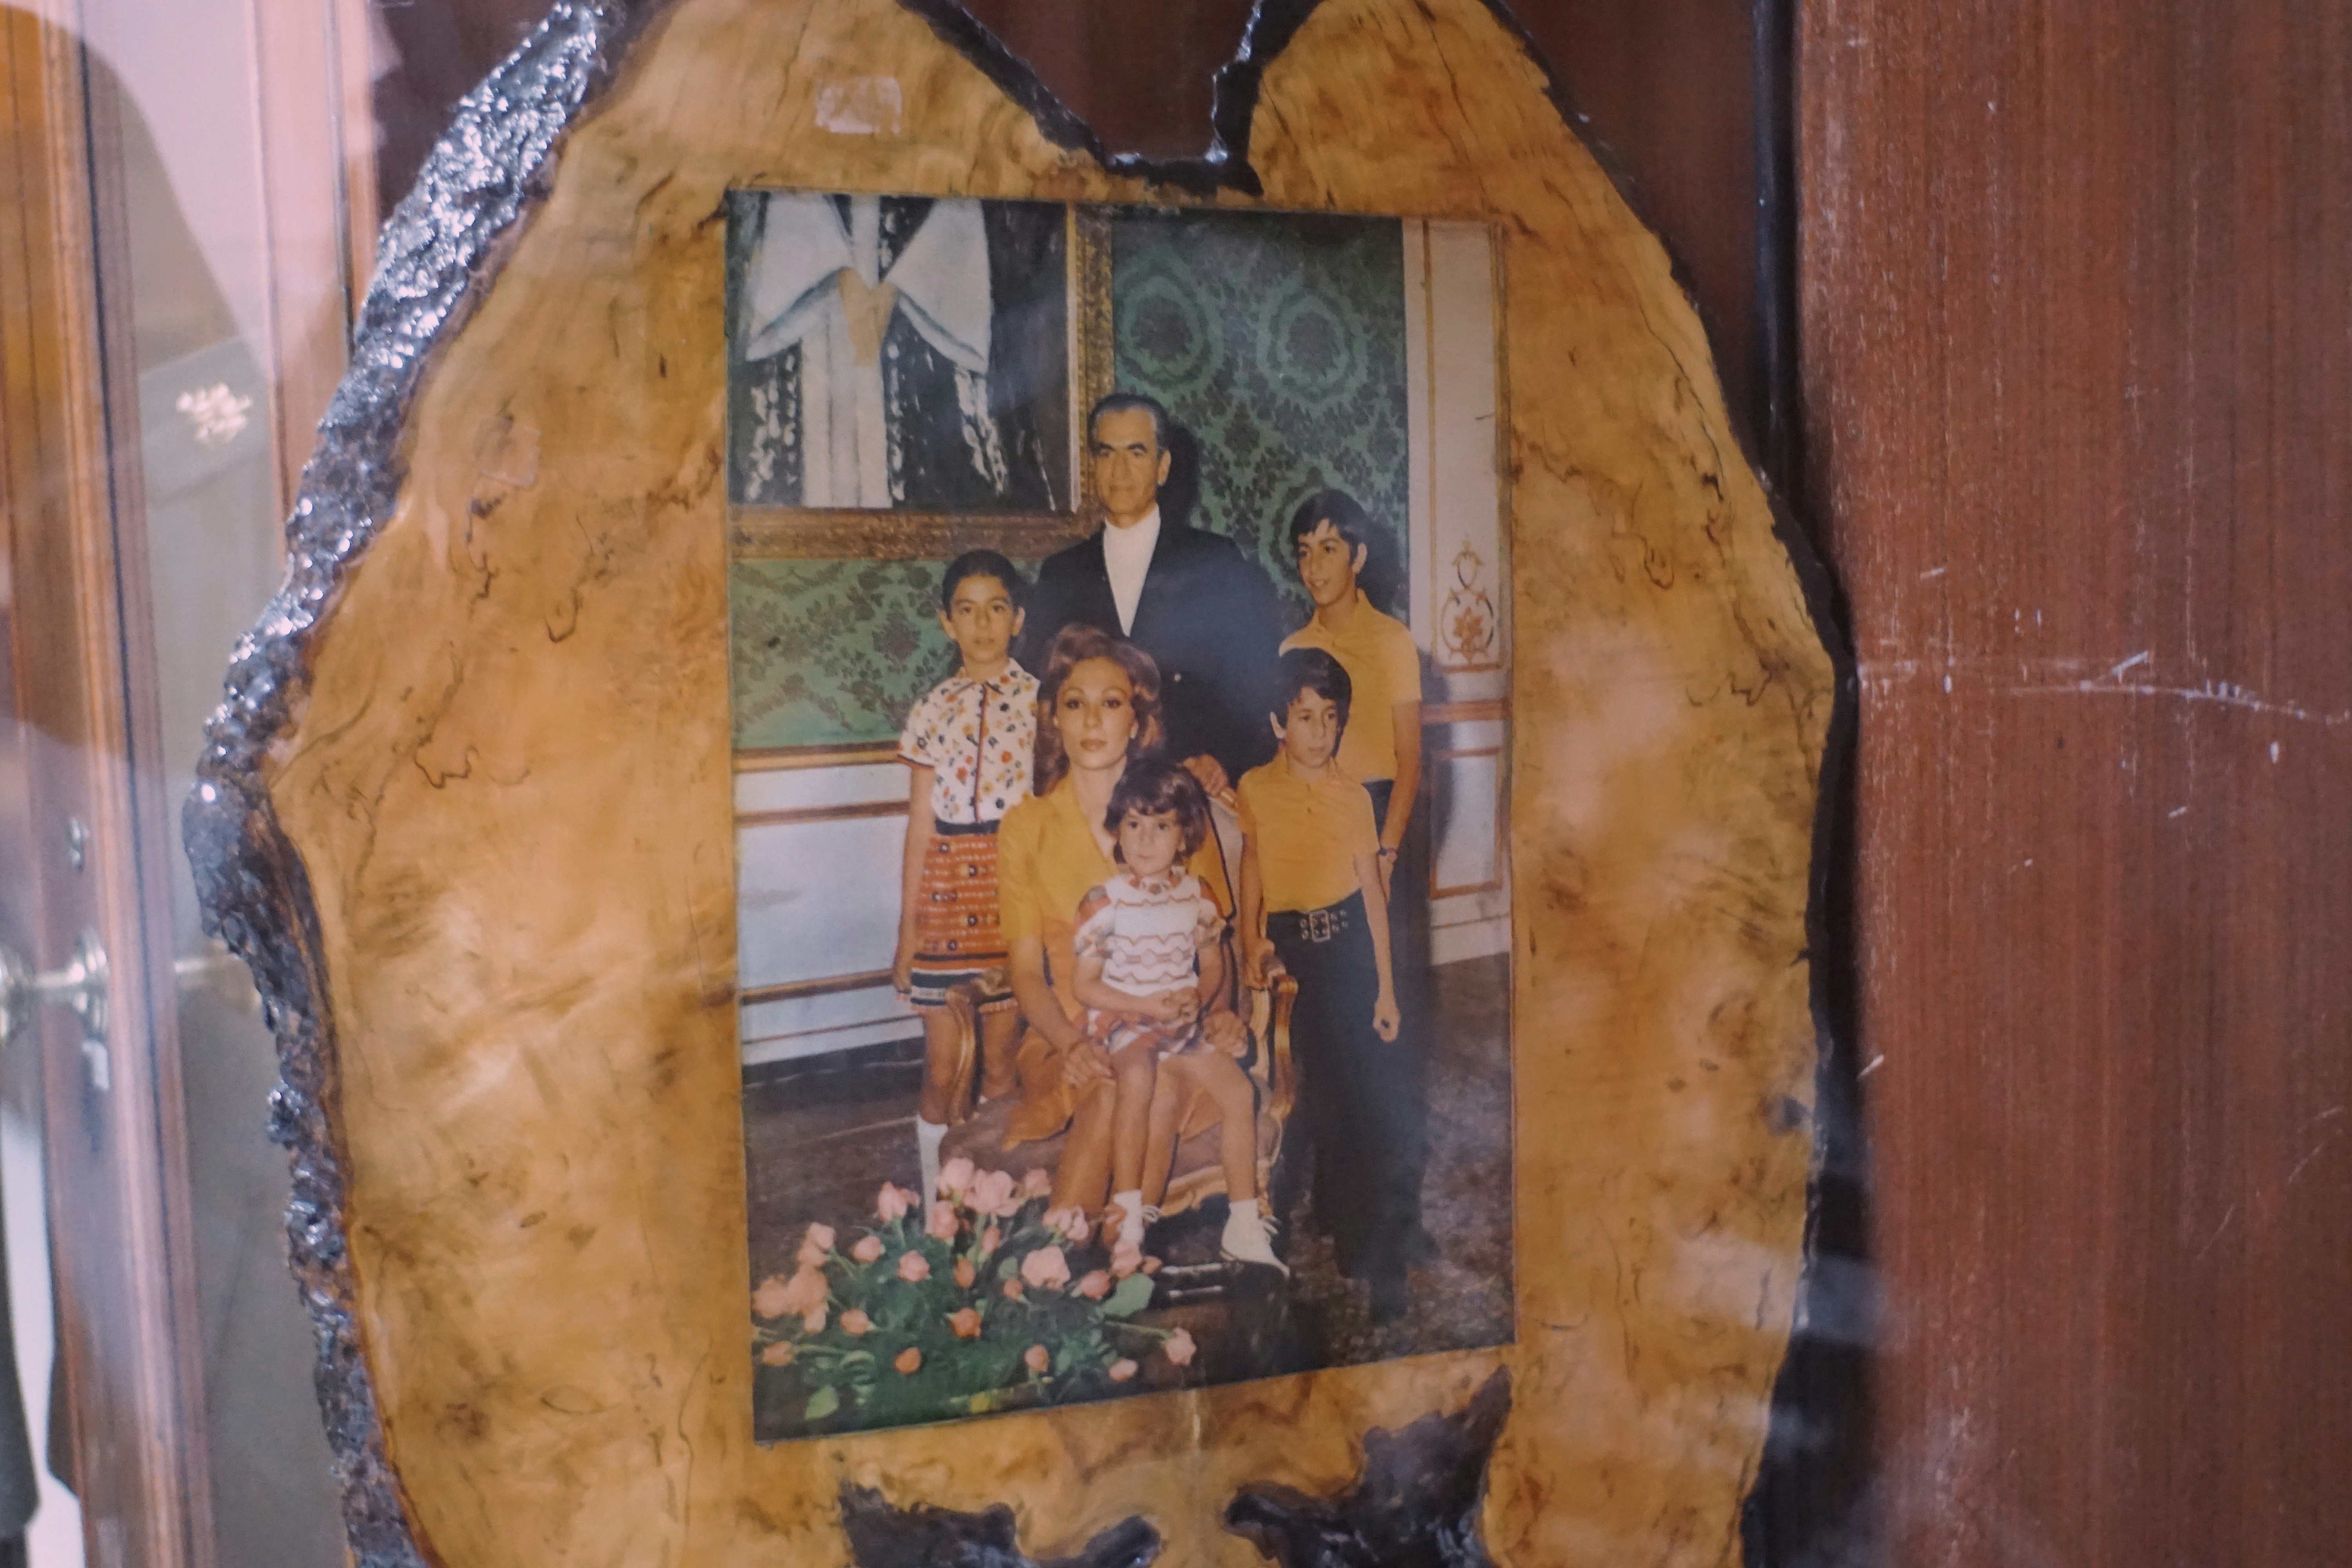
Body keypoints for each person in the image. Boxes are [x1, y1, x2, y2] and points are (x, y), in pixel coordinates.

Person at [995, 625, 1244, 1221]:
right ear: (1055, 718)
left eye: (1111, 704)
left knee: (1149, 1078)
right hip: (1065, 1029)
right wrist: (1072, 1044)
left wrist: (1217, 1011)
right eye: (1075, 704)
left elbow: (1217, 947)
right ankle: (1074, 1260)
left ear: (1137, 722)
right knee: (1112, 1082)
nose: (1091, 721)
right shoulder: (1026, 827)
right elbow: (1025, 972)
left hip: (1168, 1025)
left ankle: (1101, 1255)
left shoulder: (1178, 810)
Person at [1237, 650, 1416, 1323]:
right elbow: (1252, 868)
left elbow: (1373, 899)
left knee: (1362, 1099)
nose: (1319, 732)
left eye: (1330, 718)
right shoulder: (1256, 789)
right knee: (1305, 1099)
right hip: (1290, 956)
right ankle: (1293, 1231)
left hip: (1347, 951)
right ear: (1277, 723)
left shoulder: (1354, 799)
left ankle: (1377, 1256)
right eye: (1305, 718)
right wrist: (1249, 941)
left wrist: (1387, 991)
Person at [1278, 489, 1433, 1261]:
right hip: (1318, 834)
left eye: (1330, 548)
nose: (1315, 566)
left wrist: (1389, 852)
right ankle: (1340, 1208)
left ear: (1361, 556)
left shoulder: (1392, 640)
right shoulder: (1294, 646)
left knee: (1386, 1032)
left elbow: (1410, 762)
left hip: (1379, 830)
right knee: (1327, 1035)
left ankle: (1396, 1219)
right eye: (1304, 551)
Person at [1019, 393, 1286, 811]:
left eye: (1136, 452)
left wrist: (1220, 760)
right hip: (1091, 799)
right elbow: (1043, 697)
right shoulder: (1061, 574)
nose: (1120, 470)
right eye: (1107, 453)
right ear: (1092, 466)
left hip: (1188, 794)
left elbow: (1257, 685)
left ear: (1163, 467)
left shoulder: (1214, 563)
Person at [1072, 761, 1284, 1272]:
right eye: (1134, 825)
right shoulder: (1104, 903)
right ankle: (1128, 1211)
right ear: (1118, 830)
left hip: (1177, 1021)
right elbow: (1085, 985)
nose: (1145, 840)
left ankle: (1244, 1225)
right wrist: (1145, 1006)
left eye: (1162, 826)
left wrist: (1198, 997)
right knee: (1138, 1077)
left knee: (1240, 1093)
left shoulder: (1198, 897)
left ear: (1184, 835)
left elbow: (1211, 966)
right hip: (1126, 1017)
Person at [891, 551, 1039, 1201]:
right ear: (947, 623)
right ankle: (939, 1206)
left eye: (996, 608)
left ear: (1018, 619)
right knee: (946, 1068)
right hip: (948, 897)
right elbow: (920, 825)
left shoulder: (1042, 704)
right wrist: (908, 930)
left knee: (1002, 1067)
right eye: (968, 611)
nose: (983, 625)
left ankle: (995, 1208)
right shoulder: (932, 710)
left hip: (1014, 891)